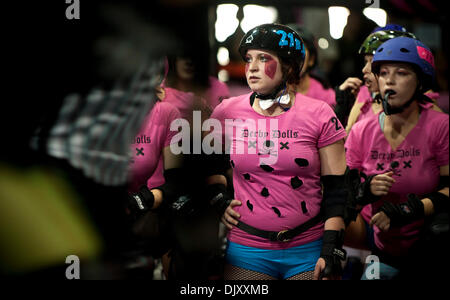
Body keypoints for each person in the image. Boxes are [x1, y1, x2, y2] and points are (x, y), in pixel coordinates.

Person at [205, 23, 348, 280]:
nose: (253, 67)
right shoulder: (227, 111)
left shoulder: (319, 113)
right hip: (247, 249)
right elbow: (209, 167)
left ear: (290, 67)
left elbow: (337, 189)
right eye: (249, 59)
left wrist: (331, 248)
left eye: (264, 58)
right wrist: (219, 199)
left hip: (308, 248)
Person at [344, 37, 449, 279]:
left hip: (430, 243)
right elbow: (342, 197)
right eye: (383, 73)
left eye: (401, 73)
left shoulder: (440, 126)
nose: (389, 80)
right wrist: (364, 191)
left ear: (421, 81)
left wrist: (410, 210)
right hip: (381, 247)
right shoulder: (362, 131)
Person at [335, 24, 442, 133]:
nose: (364, 70)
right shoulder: (363, 94)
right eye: (365, 61)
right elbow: (346, 145)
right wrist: (341, 110)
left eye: (372, 61)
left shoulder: (426, 103)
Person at [287, 24, 336, 108]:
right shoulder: (266, 91)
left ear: (311, 60)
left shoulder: (327, 97)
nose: (292, 58)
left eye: (298, 51)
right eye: (286, 51)